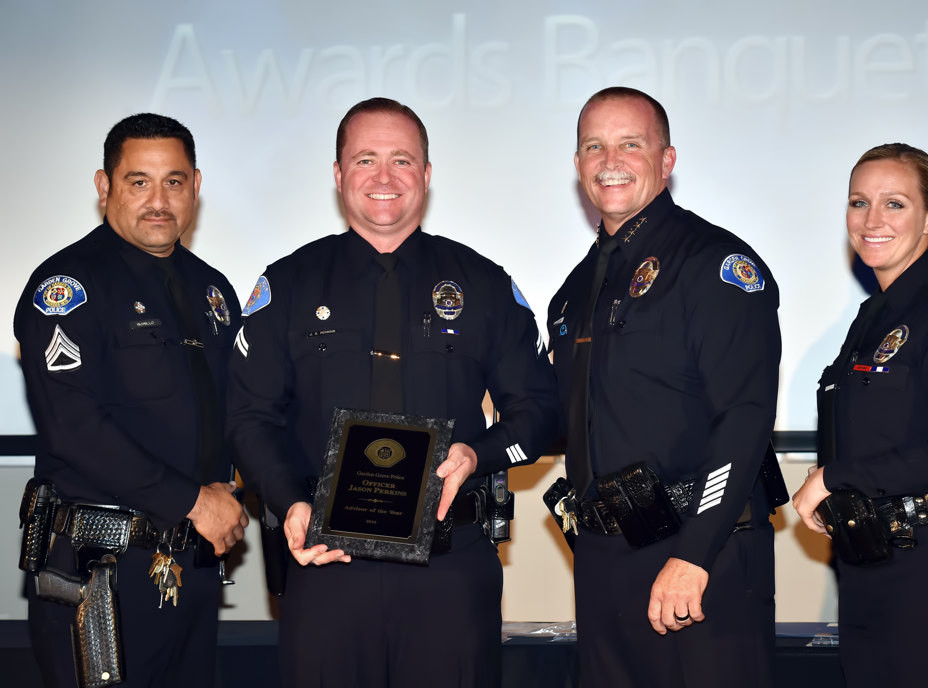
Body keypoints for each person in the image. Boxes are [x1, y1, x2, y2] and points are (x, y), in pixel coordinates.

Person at [226, 97, 559, 688]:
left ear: (427, 175)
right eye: (365, 160)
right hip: (326, 567)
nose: (384, 178)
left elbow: (539, 413)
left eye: (402, 160)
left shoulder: (482, 284)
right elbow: (250, 418)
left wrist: (476, 455)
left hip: (449, 569)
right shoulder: (288, 284)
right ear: (337, 174)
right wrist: (290, 503)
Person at [547, 87, 782, 686]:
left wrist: (695, 550)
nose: (610, 160)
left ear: (667, 159)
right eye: (594, 146)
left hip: (699, 555)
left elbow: (746, 416)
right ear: (578, 167)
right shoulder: (574, 293)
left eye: (631, 143)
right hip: (604, 562)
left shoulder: (714, 264)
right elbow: (562, 418)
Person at [14, 113, 248, 687]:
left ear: (196, 185)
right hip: (101, 572)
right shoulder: (66, 287)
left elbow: (237, 413)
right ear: (104, 186)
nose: (158, 200)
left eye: (173, 181)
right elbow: (73, 428)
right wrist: (195, 501)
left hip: (191, 565)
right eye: (138, 181)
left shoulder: (212, 289)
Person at [792, 143, 928, 687]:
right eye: (858, 202)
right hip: (870, 570)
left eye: (895, 204)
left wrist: (834, 478)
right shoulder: (872, 317)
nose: (872, 221)